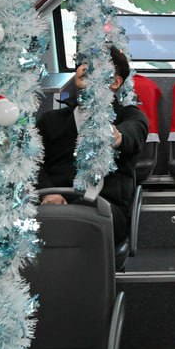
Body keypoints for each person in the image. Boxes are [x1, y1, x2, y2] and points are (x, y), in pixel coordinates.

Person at [35, 45, 147, 245]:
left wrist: (115, 136)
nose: (85, 68)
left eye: (97, 64)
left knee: (83, 217)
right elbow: (34, 163)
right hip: (52, 202)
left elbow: (132, 133)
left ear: (115, 82)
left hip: (106, 209)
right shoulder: (50, 120)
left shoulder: (130, 116)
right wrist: (50, 192)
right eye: (83, 63)